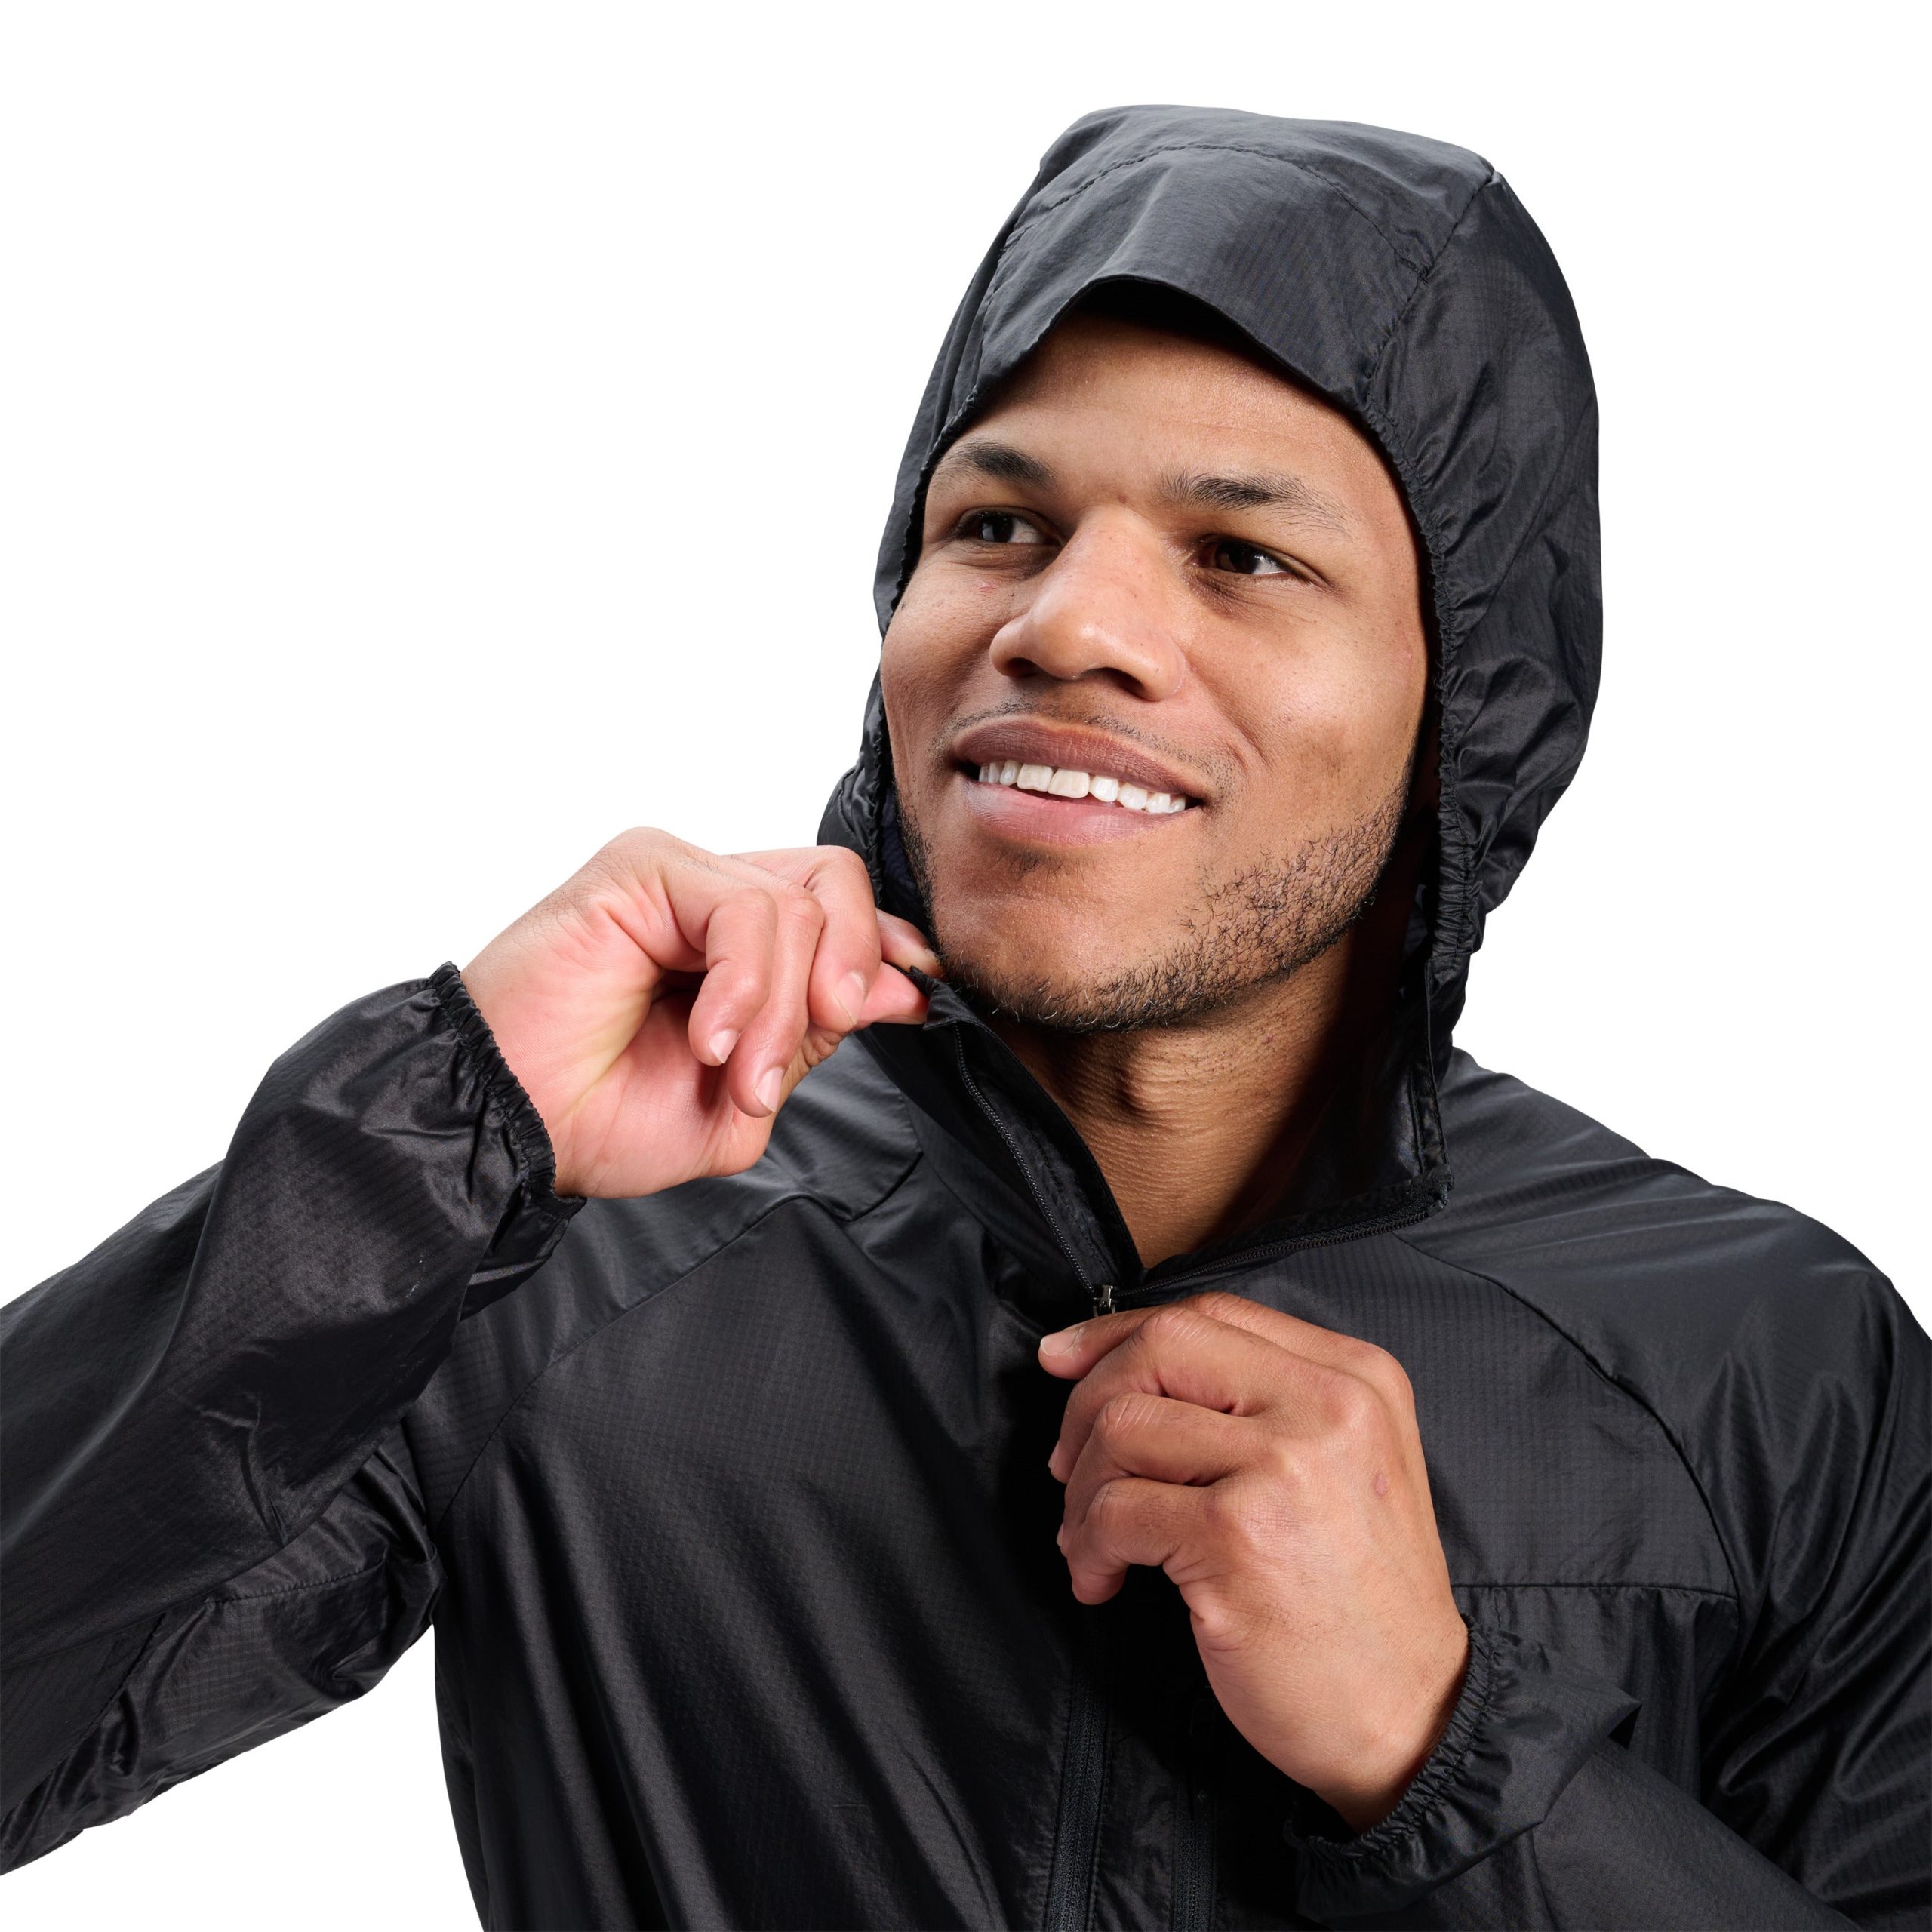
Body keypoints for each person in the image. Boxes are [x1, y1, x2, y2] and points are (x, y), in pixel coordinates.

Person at [2, 103, 1925, 1932]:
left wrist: (1441, 1744)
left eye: (1242, 555)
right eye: (997, 522)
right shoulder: (563, 1253)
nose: (1063, 625)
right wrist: (435, 1141)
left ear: (1464, 706)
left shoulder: (1771, 1363)